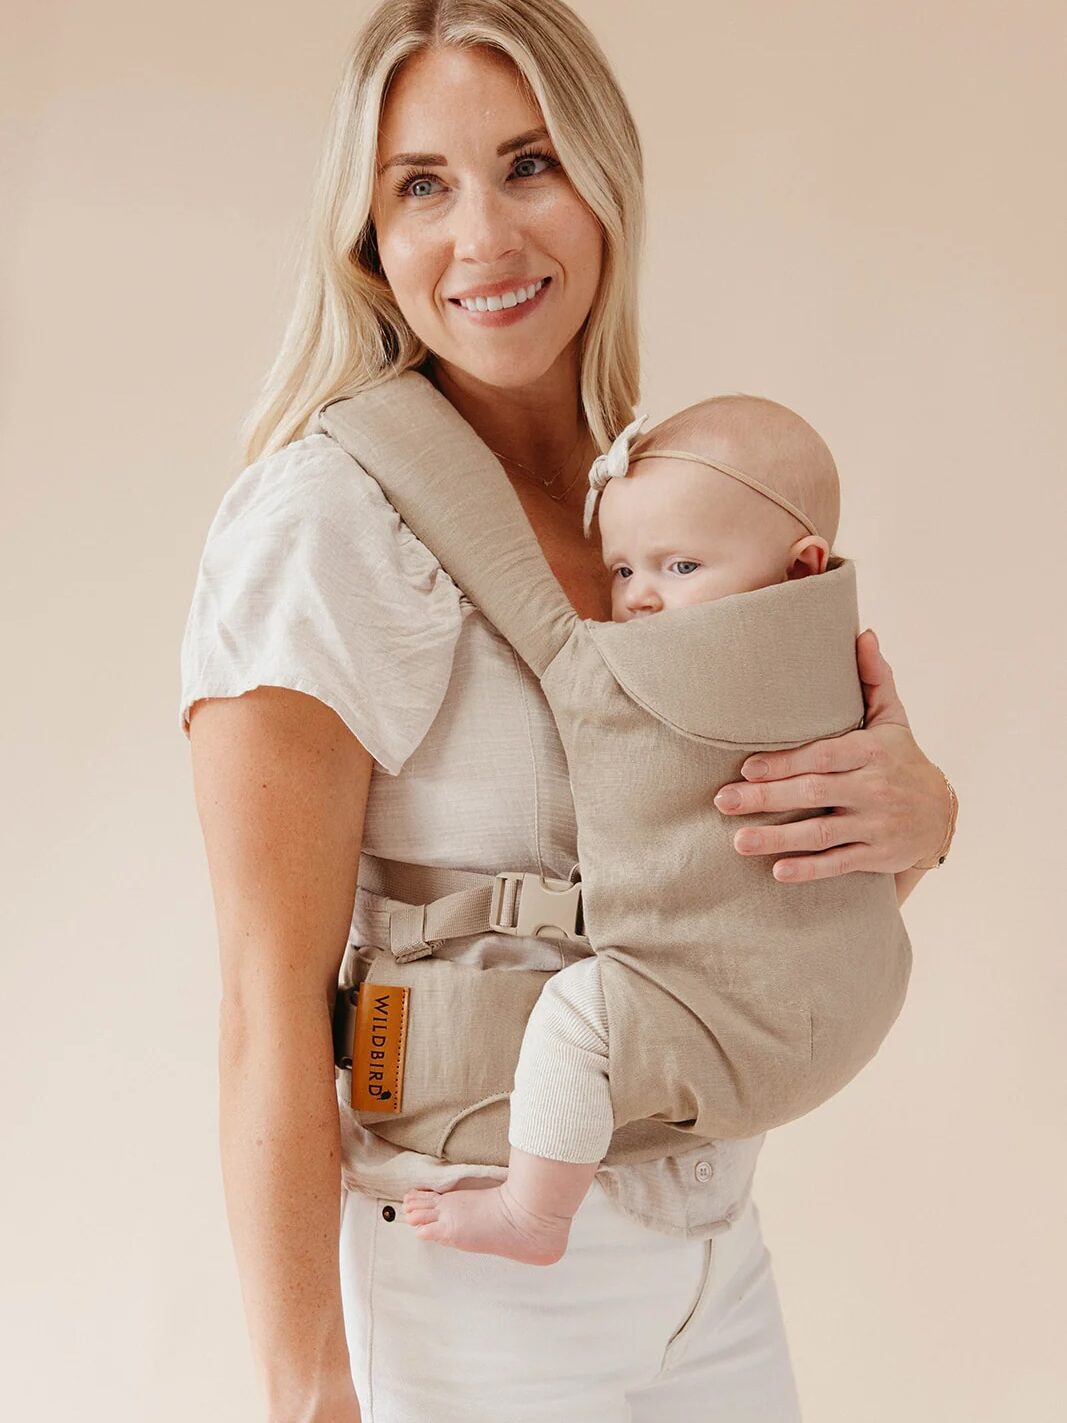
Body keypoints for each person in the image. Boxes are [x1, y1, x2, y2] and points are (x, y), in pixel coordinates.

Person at [179, 3, 957, 1418]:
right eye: (421, 185)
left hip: (710, 1248)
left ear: (603, 181)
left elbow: (719, 879)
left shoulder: (662, 506)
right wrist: (307, 1394)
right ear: (367, 238)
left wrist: (917, 816)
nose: (481, 236)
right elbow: (260, 1001)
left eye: (526, 163)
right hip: (471, 1285)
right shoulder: (323, 523)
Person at [401, 390, 906, 1268]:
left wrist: (389, 420)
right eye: (623, 569)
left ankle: (533, 1211)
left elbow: (509, 583)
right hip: (862, 994)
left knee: (578, 1016)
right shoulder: (833, 660)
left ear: (800, 568)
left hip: (730, 1027)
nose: (637, 598)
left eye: (678, 566)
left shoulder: (641, 676)